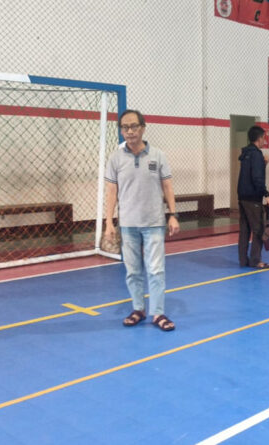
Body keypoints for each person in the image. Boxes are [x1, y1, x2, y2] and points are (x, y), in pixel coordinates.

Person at [104, 109, 179, 331]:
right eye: (125, 127)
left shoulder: (158, 155)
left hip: (154, 223)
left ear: (143, 128)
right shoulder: (115, 158)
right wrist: (109, 223)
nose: (129, 131)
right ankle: (138, 309)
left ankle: (158, 313)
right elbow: (111, 191)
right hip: (128, 225)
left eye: (134, 126)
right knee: (133, 271)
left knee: (156, 270)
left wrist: (173, 215)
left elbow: (167, 186)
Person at [237, 125, 269, 269]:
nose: (265, 140)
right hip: (253, 199)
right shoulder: (257, 154)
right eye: (264, 137)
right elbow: (257, 178)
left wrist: (263, 164)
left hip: (242, 197)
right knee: (258, 230)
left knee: (244, 230)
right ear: (259, 138)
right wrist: (266, 195)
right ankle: (255, 260)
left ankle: (243, 260)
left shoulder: (246, 153)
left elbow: (250, 174)